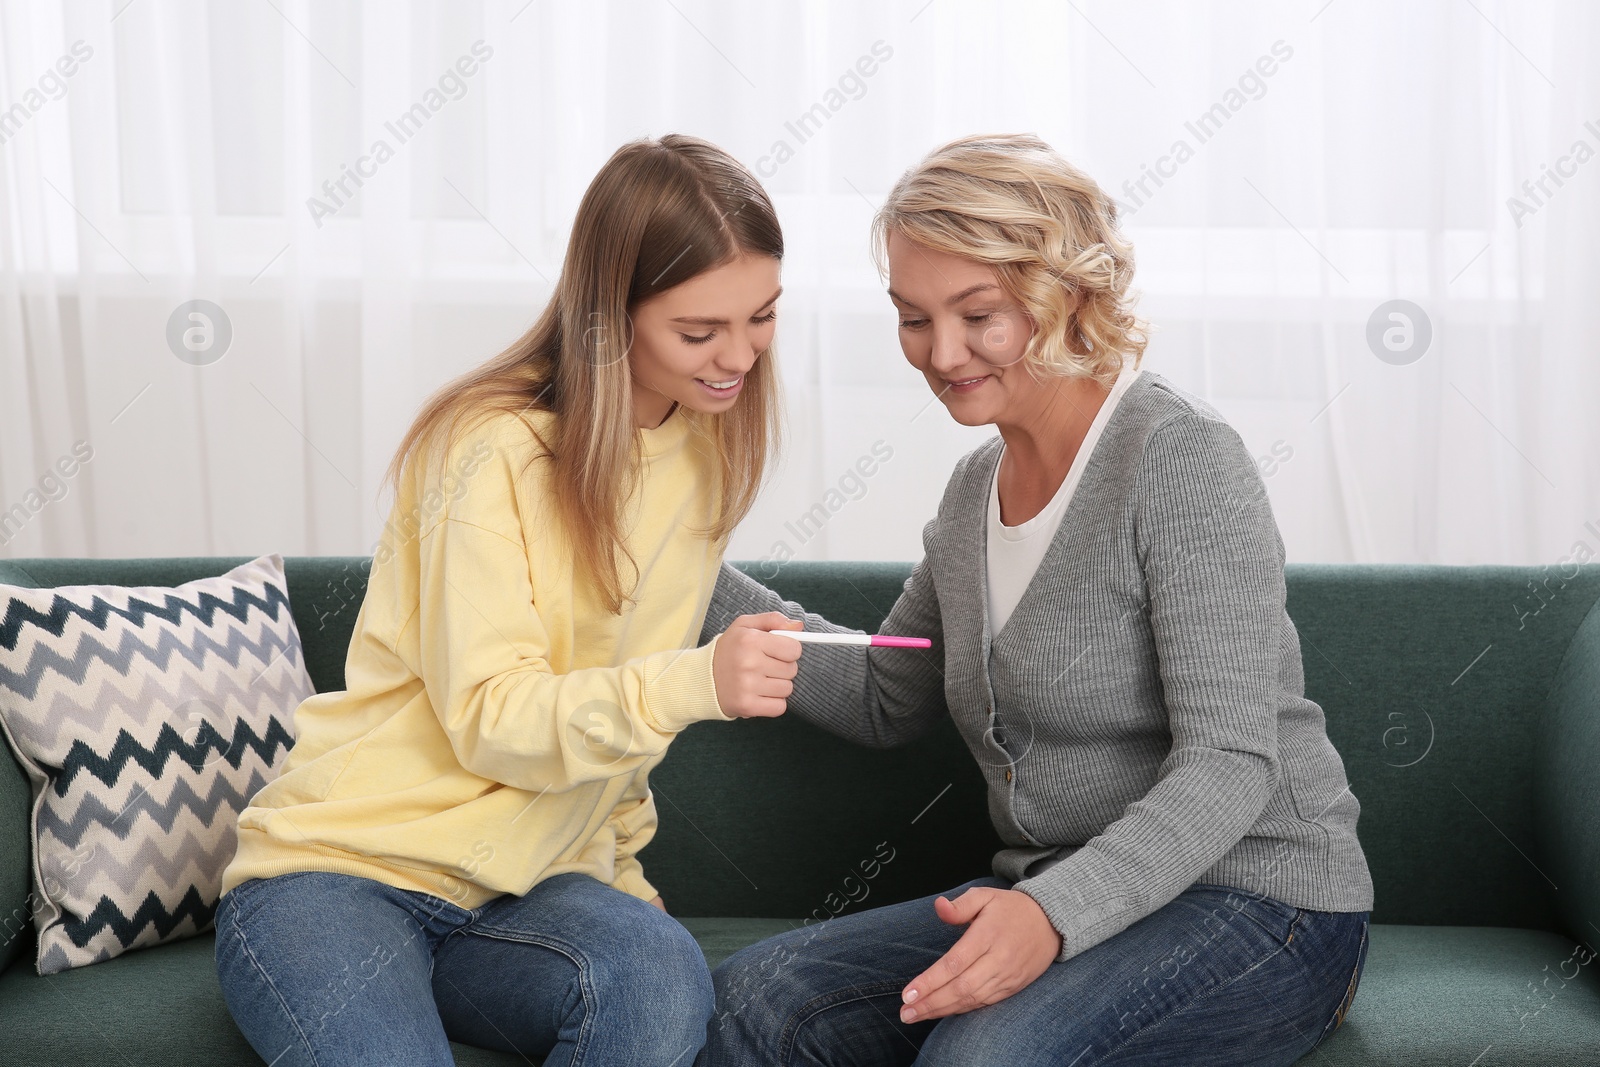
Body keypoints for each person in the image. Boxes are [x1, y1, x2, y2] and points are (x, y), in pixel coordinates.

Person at [695, 134, 1375, 1067]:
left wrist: (1051, 914)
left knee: (984, 1057)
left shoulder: (1177, 456)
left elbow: (1232, 758)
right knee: (755, 999)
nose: (941, 353)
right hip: (1059, 890)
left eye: (979, 314)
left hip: (1262, 905)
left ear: (1068, 291)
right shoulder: (975, 490)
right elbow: (887, 693)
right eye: (913, 318)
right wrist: (683, 568)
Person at [213, 133, 805, 1067]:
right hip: (341, 875)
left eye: (763, 316)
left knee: (657, 972)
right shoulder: (491, 448)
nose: (739, 356)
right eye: (700, 332)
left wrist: (619, 866)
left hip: (523, 897)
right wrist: (697, 680)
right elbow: (493, 716)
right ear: (614, 316)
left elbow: (612, 689)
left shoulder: (703, 451)